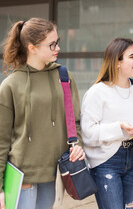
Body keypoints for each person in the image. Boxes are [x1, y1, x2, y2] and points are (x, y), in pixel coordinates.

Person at [0, 18, 85, 209]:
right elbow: (1, 140)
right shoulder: (10, 85)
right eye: (51, 44)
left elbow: (75, 121)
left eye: (58, 42)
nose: (57, 48)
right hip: (23, 175)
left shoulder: (64, 77)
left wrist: (77, 145)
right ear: (32, 47)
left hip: (54, 173)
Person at [80, 37, 133, 209]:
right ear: (117, 61)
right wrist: (119, 128)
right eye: (132, 56)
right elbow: (88, 133)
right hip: (106, 162)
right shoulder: (97, 92)